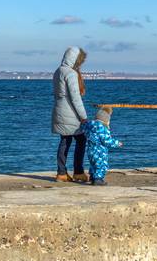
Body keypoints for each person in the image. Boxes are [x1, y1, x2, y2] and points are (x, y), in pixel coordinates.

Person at [52, 46, 88, 182]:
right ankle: (78, 171)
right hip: (70, 112)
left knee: (65, 140)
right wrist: (83, 116)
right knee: (81, 139)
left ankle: (61, 172)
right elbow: (75, 97)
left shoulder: (58, 71)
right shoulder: (71, 73)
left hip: (59, 110)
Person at [81, 106, 123, 186]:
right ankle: (98, 179)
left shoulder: (89, 125)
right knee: (101, 164)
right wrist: (117, 143)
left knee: (93, 164)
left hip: (90, 150)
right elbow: (106, 141)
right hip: (100, 151)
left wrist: (83, 123)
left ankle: (93, 177)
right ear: (106, 120)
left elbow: (83, 127)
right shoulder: (103, 128)